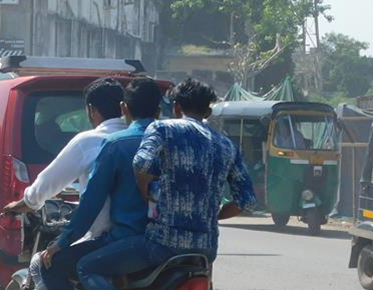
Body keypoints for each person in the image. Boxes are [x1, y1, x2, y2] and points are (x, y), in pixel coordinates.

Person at [75, 79, 256, 290]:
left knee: (87, 267)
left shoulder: (162, 128)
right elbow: (247, 200)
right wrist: (211, 214)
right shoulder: (227, 145)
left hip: (161, 245)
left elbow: (141, 163)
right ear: (208, 112)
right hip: (205, 252)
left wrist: (147, 194)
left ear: (177, 107)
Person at [38, 78, 165, 290]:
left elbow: (91, 202)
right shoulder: (176, 142)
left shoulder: (116, 144)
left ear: (124, 108)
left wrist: (62, 242)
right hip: (176, 243)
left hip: (128, 240)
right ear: (159, 111)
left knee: (54, 265)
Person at [1, 78, 128, 290]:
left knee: (43, 264)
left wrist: (25, 203)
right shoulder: (143, 139)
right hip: (145, 241)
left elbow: (48, 185)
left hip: (106, 239)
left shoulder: (91, 141)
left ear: (91, 110)